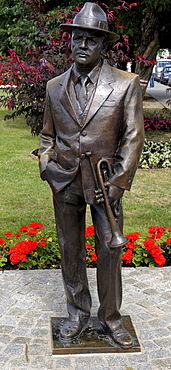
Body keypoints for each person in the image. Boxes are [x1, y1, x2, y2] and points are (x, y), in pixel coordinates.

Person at [38, 2, 144, 348]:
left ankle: (111, 318)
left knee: (109, 252)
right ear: (70, 42)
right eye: (77, 39)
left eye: (91, 40)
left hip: (105, 184)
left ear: (103, 45)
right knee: (70, 250)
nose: (82, 45)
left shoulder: (125, 84)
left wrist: (117, 184)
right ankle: (76, 314)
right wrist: (46, 165)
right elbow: (46, 136)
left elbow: (133, 137)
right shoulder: (55, 86)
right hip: (64, 180)